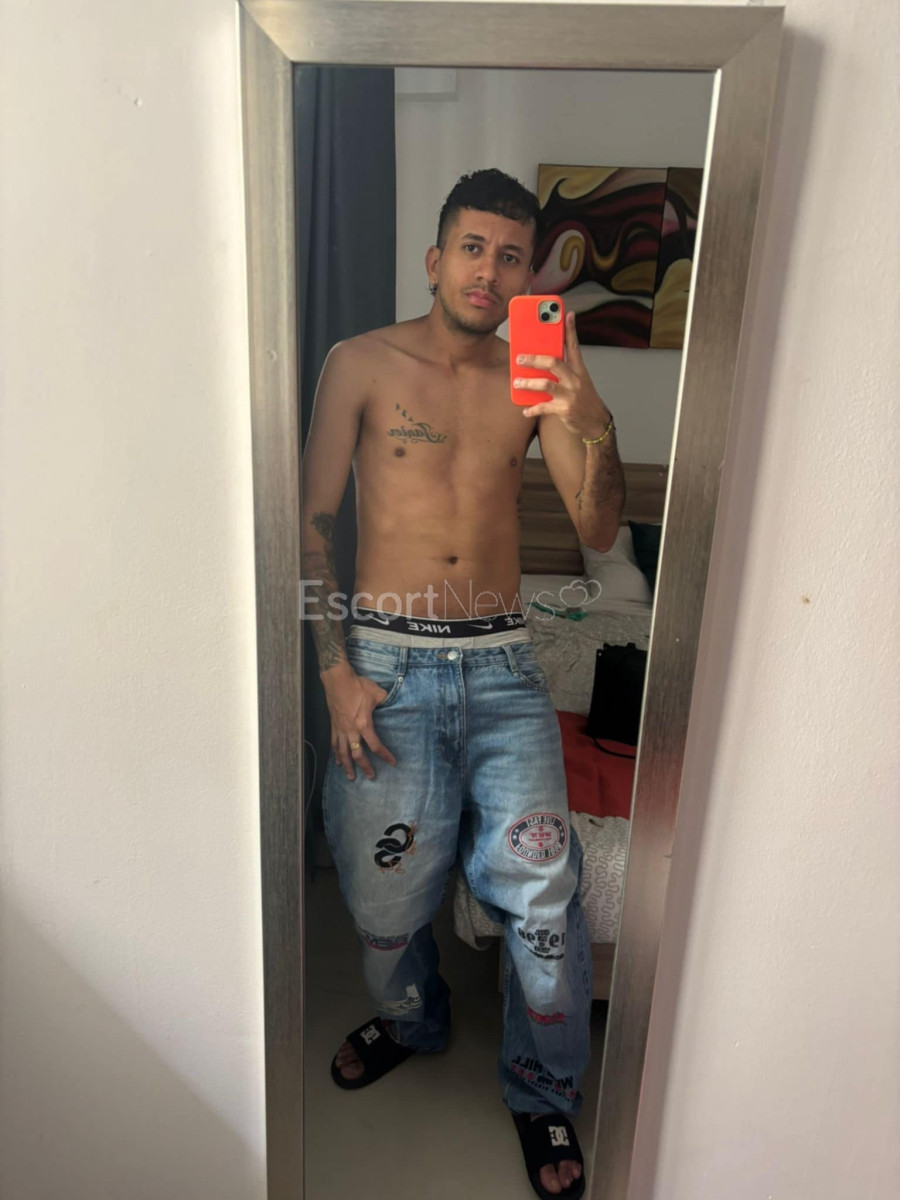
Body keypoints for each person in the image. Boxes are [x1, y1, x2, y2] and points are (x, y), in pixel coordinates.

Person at [301, 168, 625, 1200]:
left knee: (543, 893)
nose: (491, 270)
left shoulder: (536, 382)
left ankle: (543, 1089)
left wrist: (584, 406)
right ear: (436, 259)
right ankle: (413, 1018)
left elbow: (600, 529)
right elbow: (308, 525)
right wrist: (332, 671)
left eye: (513, 256)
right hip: (384, 665)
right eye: (474, 248)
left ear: (532, 278)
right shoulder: (359, 362)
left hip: (503, 669)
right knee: (383, 895)